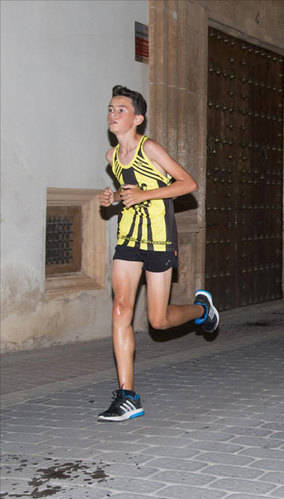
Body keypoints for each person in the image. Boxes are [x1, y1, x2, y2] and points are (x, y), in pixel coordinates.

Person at [97, 85, 219, 422]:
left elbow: (188, 184)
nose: (112, 114)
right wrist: (113, 200)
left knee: (158, 320)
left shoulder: (149, 148)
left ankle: (201, 309)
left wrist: (147, 195)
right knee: (121, 308)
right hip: (129, 238)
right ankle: (127, 395)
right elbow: (129, 192)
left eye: (120, 109)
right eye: (110, 109)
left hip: (159, 238)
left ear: (138, 118)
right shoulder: (112, 158)